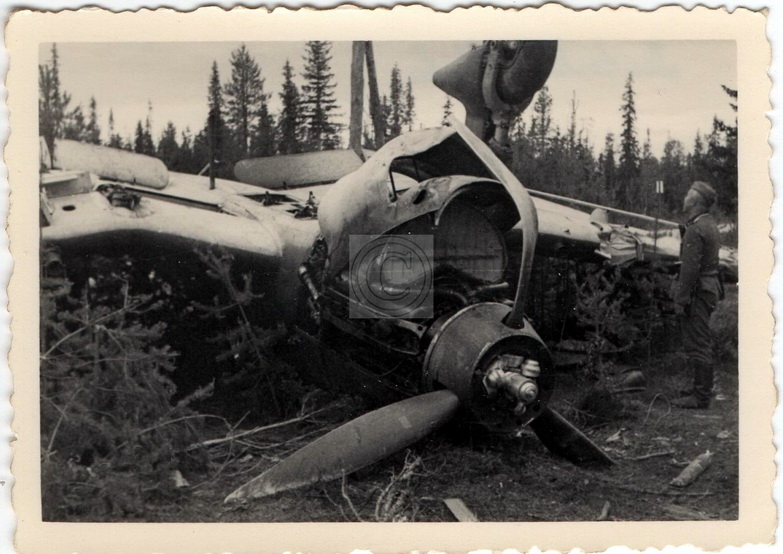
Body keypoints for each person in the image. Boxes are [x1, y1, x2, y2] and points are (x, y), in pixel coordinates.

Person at [670, 181, 721, 409]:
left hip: (699, 291)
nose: (684, 199)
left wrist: (681, 300)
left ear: (694, 202)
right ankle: (700, 389)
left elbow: (689, 270)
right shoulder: (709, 224)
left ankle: (700, 397)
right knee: (701, 339)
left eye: (688, 195)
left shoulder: (695, 229)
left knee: (699, 342)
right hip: (709, 289)